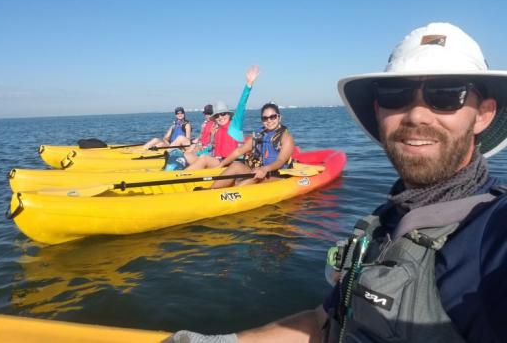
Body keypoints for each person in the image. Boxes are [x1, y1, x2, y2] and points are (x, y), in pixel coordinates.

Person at [165, 22, 507, 343]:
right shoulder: (382, 223)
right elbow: (324, 321)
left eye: (447, 94)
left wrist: (264, 169)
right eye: (395, 94)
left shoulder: (492, 233)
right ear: (378, 111)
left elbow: (282, 158)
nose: (416, 114)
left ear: (483, 114)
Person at [182, 65, 260, 170]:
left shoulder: (235, 125)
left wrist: (249, 84)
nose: (220, 117)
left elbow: (242, 104)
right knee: (187, 155)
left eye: (223, 114)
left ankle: (180, 178)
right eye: (217, 115)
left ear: (228, 114)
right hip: (218, 163)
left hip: (232, 165)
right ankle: (177, 173)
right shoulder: (217, 129)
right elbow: (214, 148)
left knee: (204, 158)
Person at [211, 103, 295, 188]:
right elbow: (239, 151)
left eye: (272, 117)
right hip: (259, 171)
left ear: (279, 117)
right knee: (236, 165)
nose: (269, 120)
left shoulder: (286, 138)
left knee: (254, 175)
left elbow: (280, 161)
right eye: (265, 118)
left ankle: (230, 194)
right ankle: (210, 191)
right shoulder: (259, 135)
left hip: (277, 176)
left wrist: (264, 169)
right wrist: (221, 165)